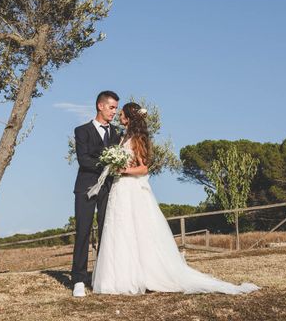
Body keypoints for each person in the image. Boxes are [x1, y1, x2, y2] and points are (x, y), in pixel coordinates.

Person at [91, 102, 260, 296]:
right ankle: (119, 277)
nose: (119, 117)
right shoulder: (123, 138)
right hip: (119, 189)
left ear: (129, 117)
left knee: (138, 231)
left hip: (132, 189)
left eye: (121, 114)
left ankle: (145, 274)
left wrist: (123, 170)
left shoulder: (137, 138)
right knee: (120, 231)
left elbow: (144, 168)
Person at [71, 90, 122, 297]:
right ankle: (78, 280)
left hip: (108, 188)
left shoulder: (117, 133)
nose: (114, 112)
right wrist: (108, 163)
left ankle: (101, 277)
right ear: (100, 106)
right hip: (85, 187)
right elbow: (83, 160)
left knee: (106, 231)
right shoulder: (82, 131)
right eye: (112, 108)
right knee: (83, 231)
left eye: (117, 109)